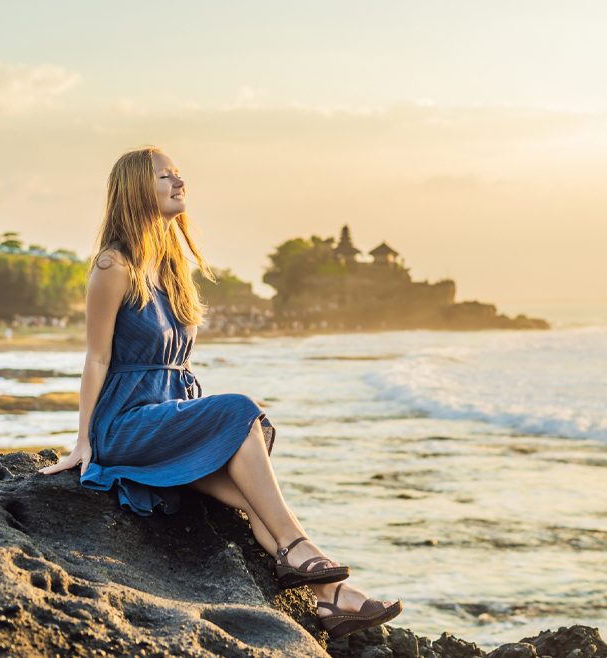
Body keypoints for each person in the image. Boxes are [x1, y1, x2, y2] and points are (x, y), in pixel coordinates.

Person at [39, 147, 401, 639]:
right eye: (164, 175)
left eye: (179, 174)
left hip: (171, 419)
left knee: (252, 500)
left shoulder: (169, 268)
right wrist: (83, 442)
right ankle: (301, 549)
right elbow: (96, 358)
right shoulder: (113, 266)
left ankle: (332, 600)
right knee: (240, 410)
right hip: (127, 423)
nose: (178, 181)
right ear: (135, 190)